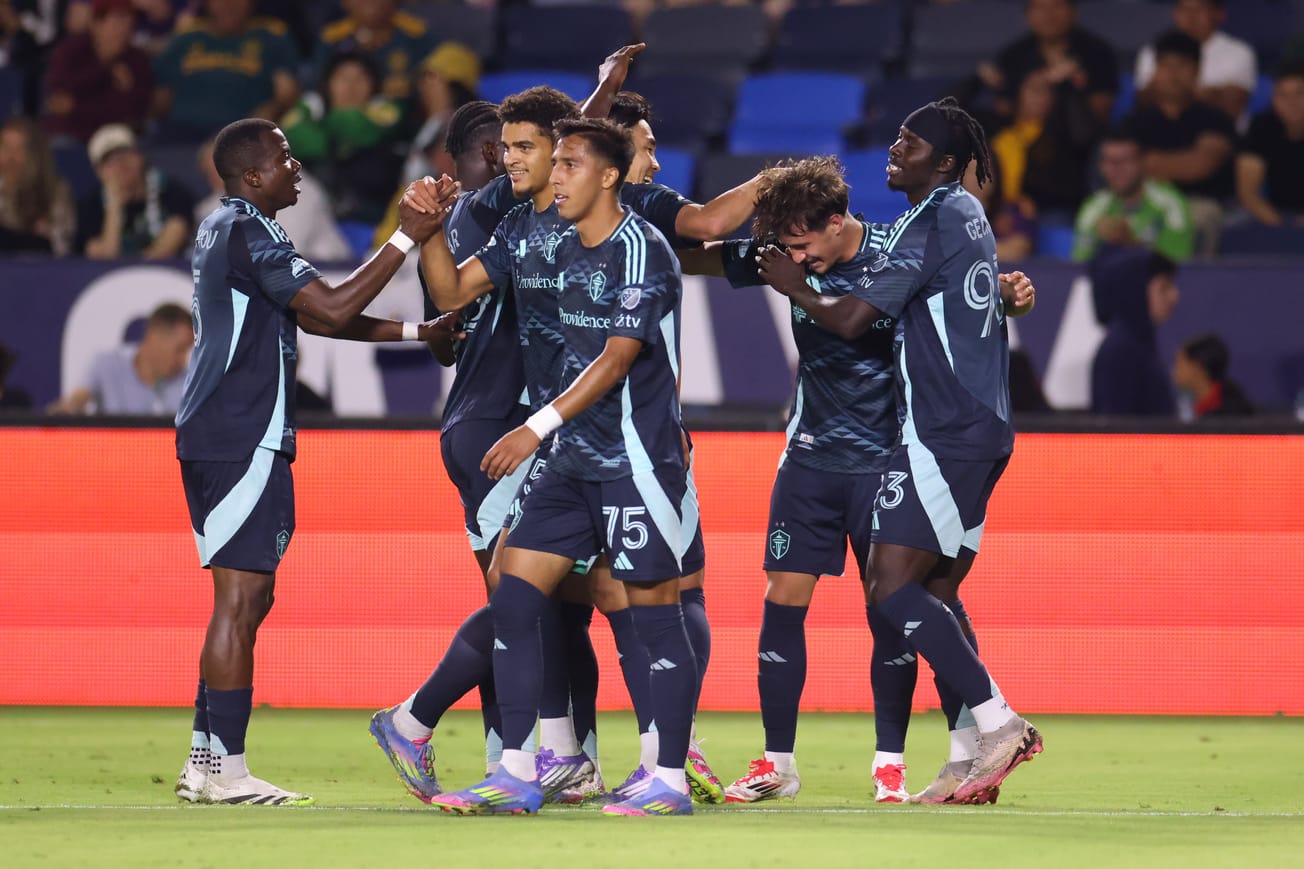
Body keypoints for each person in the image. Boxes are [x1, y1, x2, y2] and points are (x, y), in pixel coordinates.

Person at [749, 98, 1044, 805]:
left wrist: (795, 288)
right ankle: (967, 754)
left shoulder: (933, 216)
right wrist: (1003, 298)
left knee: (892, 586)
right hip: (980, 425)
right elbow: (954, 297)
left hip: (943, 430)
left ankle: (1000, 722)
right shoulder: (963, 215)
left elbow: (852, 318)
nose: (895, 146)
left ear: (943, 163)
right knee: (937, 589)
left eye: (911, 141)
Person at [171, 116, 458, 806]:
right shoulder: (249, 230)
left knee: (248, 596)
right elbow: (328, 310)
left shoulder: (227, 227)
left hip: (220, 428)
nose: (296, 166)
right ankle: (226, 772)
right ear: (251, 175)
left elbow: (310, 312)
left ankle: (205, 760)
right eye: (283, 157)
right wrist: (403, 238)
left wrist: (417, 330)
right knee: (240, 598)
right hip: (240, 431)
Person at [427, 117, 699, 817]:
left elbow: (617, 356)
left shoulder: (642, 248)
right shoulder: (558, 244)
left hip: (635, 459)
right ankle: (517, 770)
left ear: (608, 175)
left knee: (652, 613)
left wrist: (533, 425)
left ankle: (667, 774)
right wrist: (427, 232)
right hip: (570, 461)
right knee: (514, 595)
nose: (557, 175)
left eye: (570, 163)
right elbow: (454, 294)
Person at [1127, 30, 1237, 257]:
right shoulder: (1135, 122)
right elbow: (1124, 169)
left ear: (1197, 70)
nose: (1174, 74)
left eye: (1182, 65)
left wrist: (1152, 163)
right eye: (1166, 66)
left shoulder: (1216, 119)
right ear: (1156, 71)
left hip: (1198, 203)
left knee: (1197, 219)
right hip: (1145, 202)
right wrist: (1180, 161)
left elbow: (1201, 165)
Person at [280, 50, 403, 225]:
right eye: (342, 78)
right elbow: (291, 137)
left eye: (360, 79)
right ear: (327, 85)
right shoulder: (312, 110)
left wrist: (323, 125)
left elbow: (357, 128)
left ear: (373, 86)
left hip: (371, 222)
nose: (351, 87)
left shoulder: (387, 113)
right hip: (315, 219)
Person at [151, 0, 301, 143]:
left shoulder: (270, 36)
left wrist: (269, 113)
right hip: (180, 136)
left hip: (243, 137)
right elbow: (160, 99)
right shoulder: (186, 38)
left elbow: (287, 93)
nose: (228, 5)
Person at [194, 137, 353, 262]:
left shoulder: (294, 188)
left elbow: (285, 251)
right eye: (210, 173)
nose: (217, 180)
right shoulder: (218, 203)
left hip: (329, 274)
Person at [978, 0, 1119, 127]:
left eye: (1057, 6)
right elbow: (1003, 110)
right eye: (1040, 8)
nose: (1049, 15)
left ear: (1073, 11)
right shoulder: (1012, 55)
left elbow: (1102, 113)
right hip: (1023, 137)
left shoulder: (1097, 52)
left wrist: (1073, 85)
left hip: (1080, 141)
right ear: (1027, 15)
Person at [988, 65, 1098, 219]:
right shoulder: (1000, 132)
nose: (1042, 97)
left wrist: (1067, 86)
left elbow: (1084, 136)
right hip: (1000, 211)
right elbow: (951, 113)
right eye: (1035, 90)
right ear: (1018, 93)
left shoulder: (1061, 134)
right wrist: (978, 81)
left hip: (1047, 214)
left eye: (1048, 91)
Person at [1072, 125, 1194, 262]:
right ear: (1101, 166)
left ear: (1142, 162)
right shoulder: (1093, 207)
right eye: (1110, 161)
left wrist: (1129, 243)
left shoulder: (1171, 204)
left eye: (1125, 161)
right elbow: (1081, 267)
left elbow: (1177, 268)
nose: (1117, 169)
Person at [48, 302, 193, 416]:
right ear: (153, 337)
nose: (183, 359)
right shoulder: (106, 364)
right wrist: (67, 411)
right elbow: (77, 400)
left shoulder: (190, 385)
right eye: (180, 349)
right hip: (110, 452)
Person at [75, 123, 194, 259]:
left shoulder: (173, 193)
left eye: (125, 154)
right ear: (99, 172)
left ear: (140, 158)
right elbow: (104, 258)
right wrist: (114, 208)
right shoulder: (90, 207)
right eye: (109, 160)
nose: (120, 164)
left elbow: (165, 250)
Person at [42, 0, 153, 143]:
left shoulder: (138, 60)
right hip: (69, 133)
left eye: (130, 21)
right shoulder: (70, 51)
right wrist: (104, 70)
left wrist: (76, 108)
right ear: (95, 23)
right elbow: (59, 99)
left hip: (115, 138)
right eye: (118, 20)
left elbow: (131, 111)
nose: (125, 28)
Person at [1089, 246, 1180, 416]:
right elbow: (1113, 428)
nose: (1175, 295)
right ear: (1135, 290)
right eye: (1164, 287)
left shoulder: (1138, 343)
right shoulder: (1120, 350)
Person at [1135, 0, 1257, 125]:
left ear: (1219, 14)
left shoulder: (1239, 53)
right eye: (1184, 9)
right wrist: (1211, 94)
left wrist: (1173, 93)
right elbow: (1145, 102)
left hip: (1220, 135)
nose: (1190, 16)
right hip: (1161, 134)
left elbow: (1231, 108)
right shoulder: (1151, 52)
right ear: (1174, 13)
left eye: (1200, 9)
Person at [314, 0, 436, 120]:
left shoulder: (416, 36)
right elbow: (315, 95)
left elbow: (436, 90)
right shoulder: (331, 40)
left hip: (405, 131)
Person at [1236, 61, 1304, 228]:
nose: (1292, 102)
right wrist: (1281, 226)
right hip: (1276, 213)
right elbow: (1248, 193)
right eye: (1283, 95)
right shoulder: (1261, 127)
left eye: (1300, 94)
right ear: (1273, 100)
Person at [0, 116, 75, 255]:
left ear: (34, 154)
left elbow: (61, 246)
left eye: (19, 149)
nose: (10, 157)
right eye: (5, 147)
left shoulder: (52, 191)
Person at [1173, 333, 1254, 419]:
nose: (1174, 370)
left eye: (1179, 363)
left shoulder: (1233, 413)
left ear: (1197, 367)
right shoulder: (1186, 404)